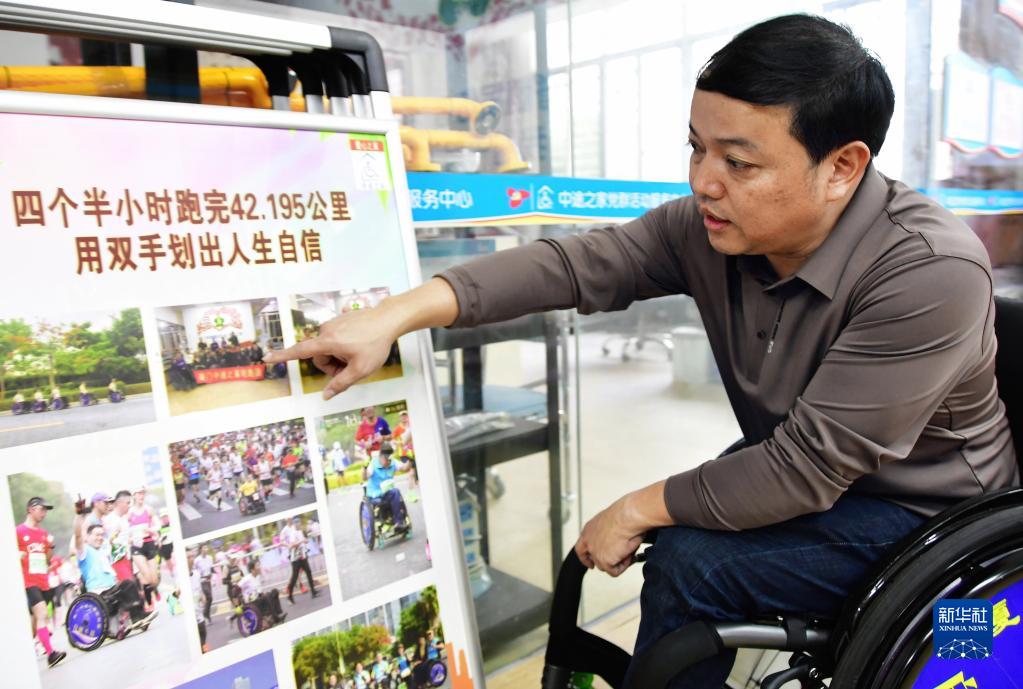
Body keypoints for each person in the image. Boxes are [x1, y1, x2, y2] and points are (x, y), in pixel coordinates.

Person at [267, 14, 1018, 688]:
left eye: (738, 163)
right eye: (696, 148)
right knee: (683, 535)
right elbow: (575, 265)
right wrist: (395, 315)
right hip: (820, 476)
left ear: (842, 167)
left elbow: (804, 467)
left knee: (693, 566)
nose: (703, 182)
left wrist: (633, 507)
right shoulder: (710, 229)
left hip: (933, 519)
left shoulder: (929, 270)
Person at [16, 497, 66, 668]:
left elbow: (47, 559)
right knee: (42, 614)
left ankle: (20, 654)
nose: (44, 513)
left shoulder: (44, 534)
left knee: (34, 620)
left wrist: (50, 546)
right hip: (28, 581)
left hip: (43, 581)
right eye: (42, 509)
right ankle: (51, 654)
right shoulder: (18, 531)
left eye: (46, 510)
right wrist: (17, 555)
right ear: (31, 509)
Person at [75, 523, 154, 626]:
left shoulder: (102, 552)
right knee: (128, 586)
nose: (100, 538)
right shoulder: (84, 552)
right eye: (97, 535)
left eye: (101, 535)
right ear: (88, 536)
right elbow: (78, 537)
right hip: (100, 593)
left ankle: (137, 617)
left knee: (129, 583)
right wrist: (79, 518)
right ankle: (136, 617)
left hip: (112, 589)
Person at [363, 443, 411, 531]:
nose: (389, 462)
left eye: (390, 460)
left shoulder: (393, 462)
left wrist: (410, 459)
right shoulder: (373, 464)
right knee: (393, 494)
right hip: (375, 495)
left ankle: (399, 522)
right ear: (381, 457)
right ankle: (394, 521)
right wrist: (365, 468)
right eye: (387, 460)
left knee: (396, 492)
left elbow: (405, 468)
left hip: (388, 493)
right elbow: (365, 477)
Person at [128, 486, 161, 607]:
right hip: (137, 546)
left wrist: (151, 530)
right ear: (134, 496)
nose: (141, 496)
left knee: (154, 580)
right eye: (139, 493)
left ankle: (154, 588)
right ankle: (149, 602)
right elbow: (125, 530)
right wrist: (130, 538)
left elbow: (158, 525)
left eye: (143, 493)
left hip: (149, 543)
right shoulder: (129, 513)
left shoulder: (148, 510)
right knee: (146, 575)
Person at [280, 518, 318, 604]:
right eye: (297, 523)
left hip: (302, 555)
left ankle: (313, 592)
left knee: (309, 572)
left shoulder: (300, 531)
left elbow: (304, 540)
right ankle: (290, 596)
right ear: (294, 524)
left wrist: (305, 541)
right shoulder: (292, 533)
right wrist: (301, 541)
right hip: (295, 558)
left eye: (299, 523)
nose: (299, 525)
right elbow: (292, 545)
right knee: (294, 577)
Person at [237, 560, 285, 627]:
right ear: (252, 570)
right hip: (251, 601)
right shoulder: (247, 578)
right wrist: (240, 601)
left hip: (258, 598)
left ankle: (277, 614)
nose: (259, 567)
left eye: (259, 565)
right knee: (266, 597)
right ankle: (276, 618)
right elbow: (236, 588)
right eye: (257, 566)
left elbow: (259, 591)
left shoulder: (257, 577)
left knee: (274, 591)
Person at [193, 544, 214, 623]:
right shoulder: (197, 560)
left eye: (207, 547)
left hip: (208, 580)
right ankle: (205, 614)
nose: (206, 549)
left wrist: (213, 575)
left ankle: (206, 615)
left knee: (209, 599)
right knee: (209, 597)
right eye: (204, 547)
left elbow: (211, 568)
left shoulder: (210, 558)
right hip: (201, 580)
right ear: (201, 549)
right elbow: (194, 570)